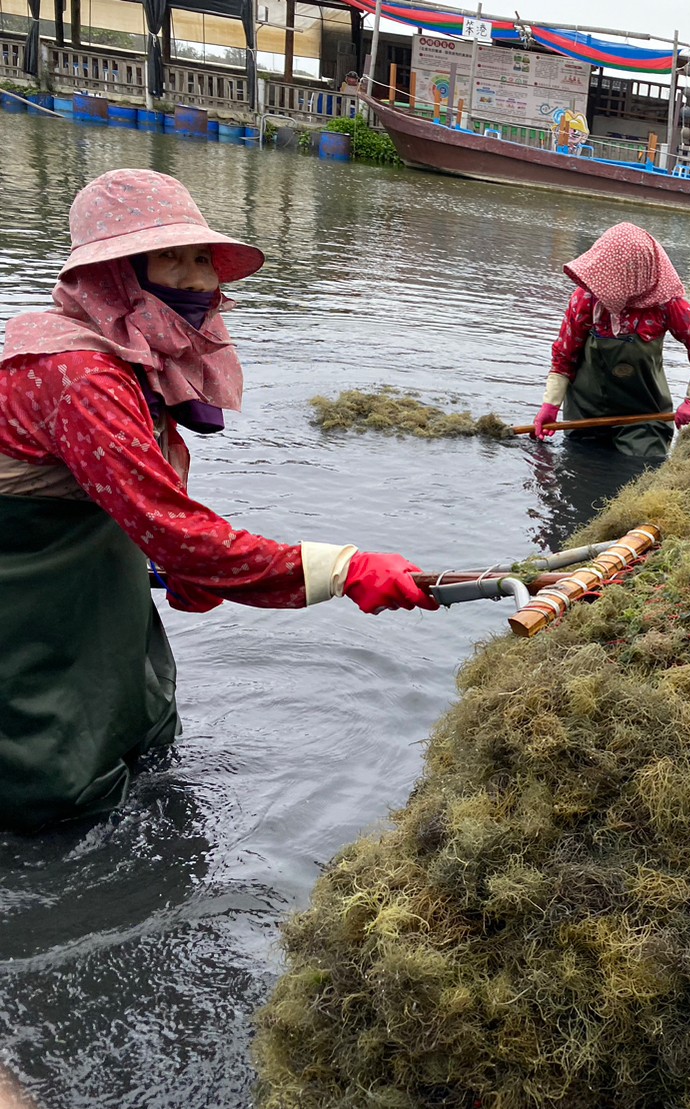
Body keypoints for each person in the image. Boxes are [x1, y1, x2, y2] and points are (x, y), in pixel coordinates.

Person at [0, 169, 438, 832]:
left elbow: (148, 500)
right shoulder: (77, 370)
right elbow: (171, 527)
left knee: (141, 732)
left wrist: (173, 566)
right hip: (35, 605)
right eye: (169, 259)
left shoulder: (131, 357)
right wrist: (343, 569)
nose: (197, 279)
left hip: (102, 593)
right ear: (115, 275)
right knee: (57, 786)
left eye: (201, 257)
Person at [533, 222, 690, 458]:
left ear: (636, 274)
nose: (602, 287)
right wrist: (550, 406)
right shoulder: (585, 299)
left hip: (643, 418)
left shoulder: (667, 306)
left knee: (640, 470)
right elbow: (564, 355)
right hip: (585, 414)